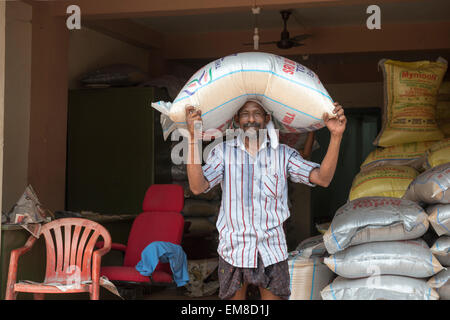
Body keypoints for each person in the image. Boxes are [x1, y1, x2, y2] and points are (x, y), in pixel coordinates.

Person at [185, 100, 346, 300]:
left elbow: (323, 178)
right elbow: (197, 186)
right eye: (245, 114)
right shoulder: (223, 153)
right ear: (236, 120)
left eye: (257, 114)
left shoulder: (284, 154)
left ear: (267, 119)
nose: (251, 119)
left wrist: (336, 136)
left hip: (272, 251)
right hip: (234, 249)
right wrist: (193, 138)